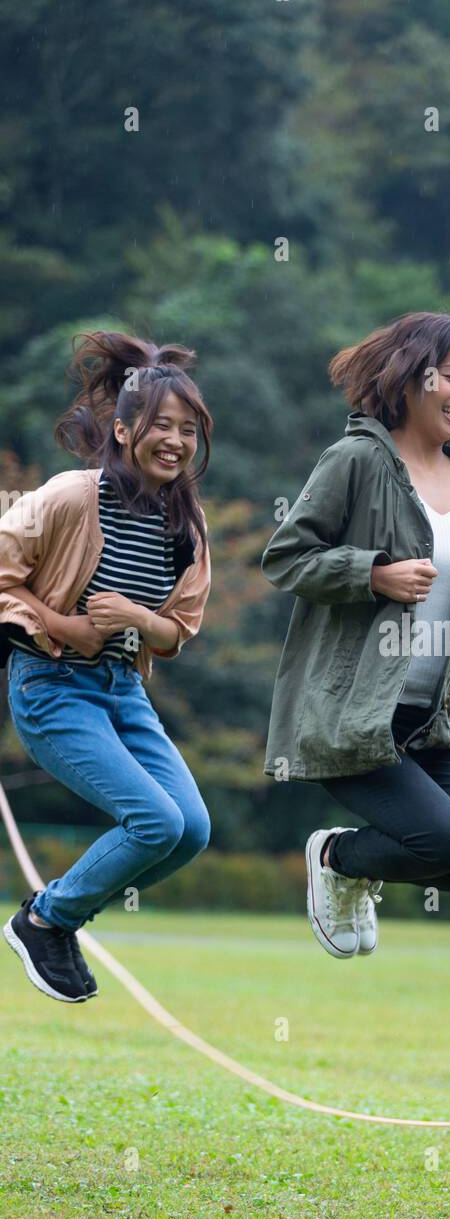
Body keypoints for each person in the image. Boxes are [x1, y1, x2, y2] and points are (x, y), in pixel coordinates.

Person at [261, 312, 450, 958]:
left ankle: (352, 866)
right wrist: (373, 574)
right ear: (411, 376)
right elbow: (285, 557)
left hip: (432, 722)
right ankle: (337, 858)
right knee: (443, 840)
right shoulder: (356, 460)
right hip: (355, 714)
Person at [1, 331, 212, 1003]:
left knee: (191, 831)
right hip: (51, 686)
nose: (176, 441)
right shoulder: (69, 496)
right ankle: (46, 920)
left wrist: (136, 621)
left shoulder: (186, 524)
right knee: (155, 821)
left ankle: (54, 918)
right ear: (122, 430)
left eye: (188, 429)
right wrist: (66, 627)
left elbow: (178, 629)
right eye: (160, 426)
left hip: (124, 689)